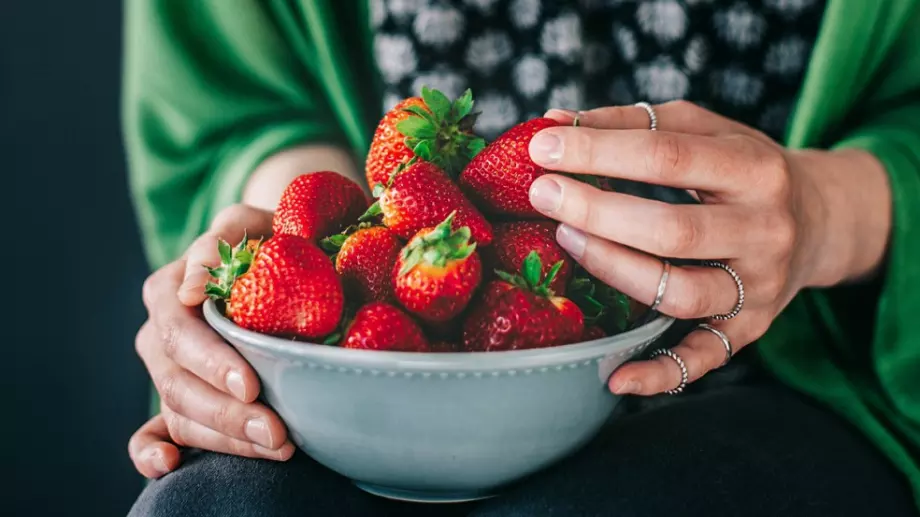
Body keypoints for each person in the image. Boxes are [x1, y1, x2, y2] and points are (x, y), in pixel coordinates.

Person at [123, 1, 920, 515]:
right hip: (370, 381)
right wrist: (286, 242)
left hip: (790, 366)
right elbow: (239, 83)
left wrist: (821, 214)